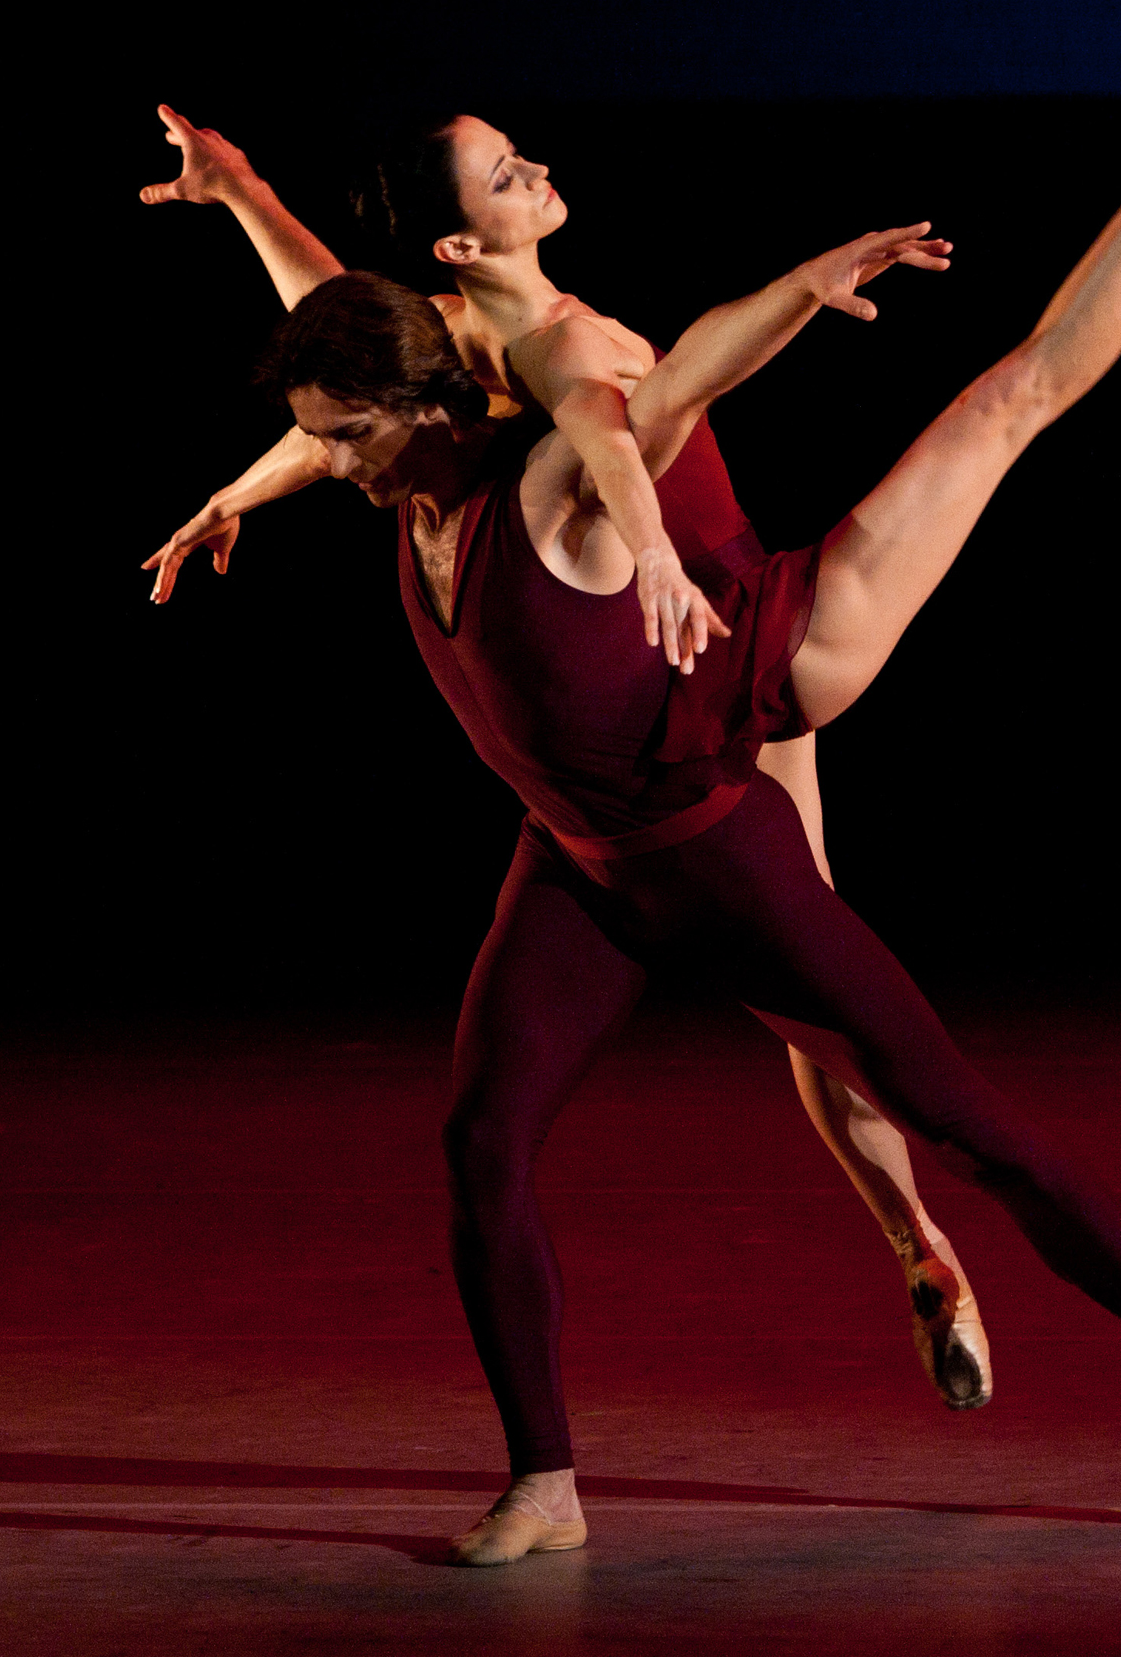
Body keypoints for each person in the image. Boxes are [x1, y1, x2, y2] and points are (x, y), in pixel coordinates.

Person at [152, 0, 1121, 1563]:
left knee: (950, 1095)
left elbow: (645, 406)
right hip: (588, 841)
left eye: (341, 444)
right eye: (500, 174)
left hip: (739, 687)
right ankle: (549, 1485)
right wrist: (240, 218)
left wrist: (714, 425)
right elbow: (330, 335)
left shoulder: (538, 393)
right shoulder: (416, 381)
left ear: (415, 413)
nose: (331, 467)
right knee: (486, 1139)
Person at [138, 108, 996, 1410]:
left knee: (811, 999)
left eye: (516, 153)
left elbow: (333, 324)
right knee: (812, 1002)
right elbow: (603, 409)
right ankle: (923, 1241)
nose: (532, 167)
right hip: (695, 640)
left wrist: (244, 188)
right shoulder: (547, 338)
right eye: (501, 171)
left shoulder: (470, 329)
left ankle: (921, 1247)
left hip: (685, 623)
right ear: (454, 235)